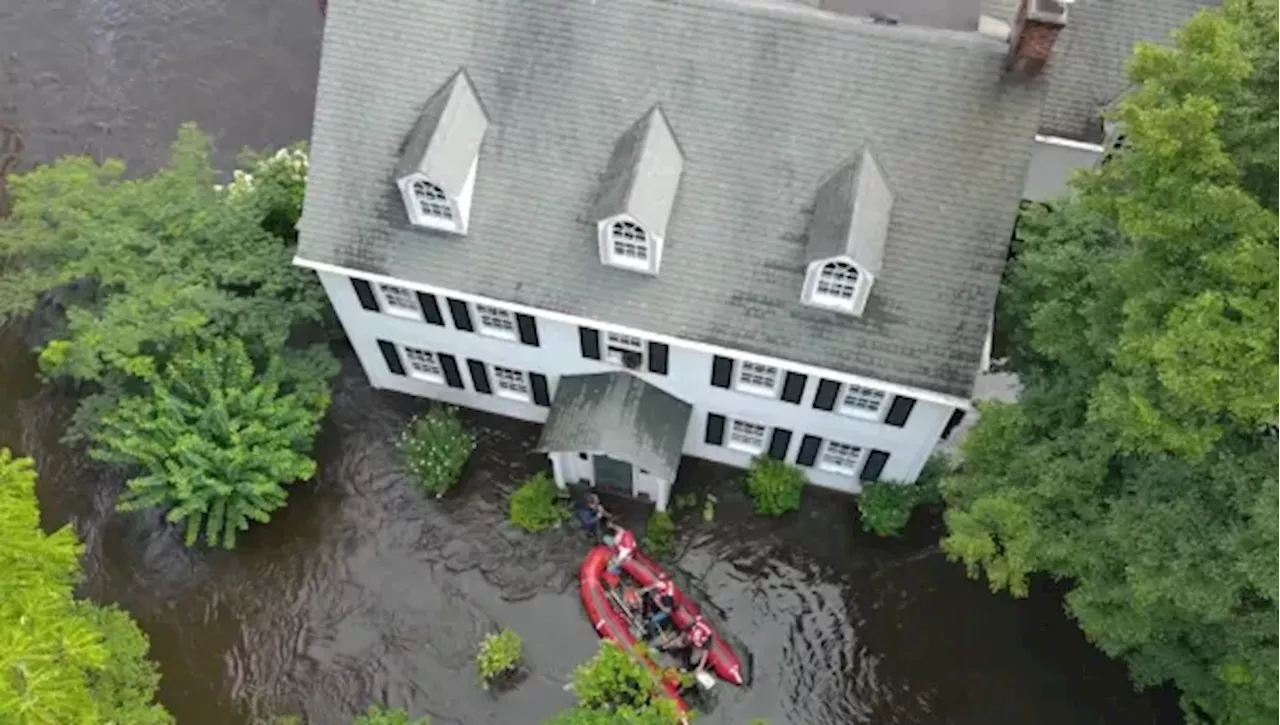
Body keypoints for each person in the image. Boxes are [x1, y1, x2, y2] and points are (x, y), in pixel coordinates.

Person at [640, 572, 676, 639]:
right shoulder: (668, 586)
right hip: (663, 607)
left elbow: (666, 610)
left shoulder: (664, 587)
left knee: (653, 621)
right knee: (649, 600)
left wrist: (658, 603)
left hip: (665, 610)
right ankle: (645, 618)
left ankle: (651, 636)